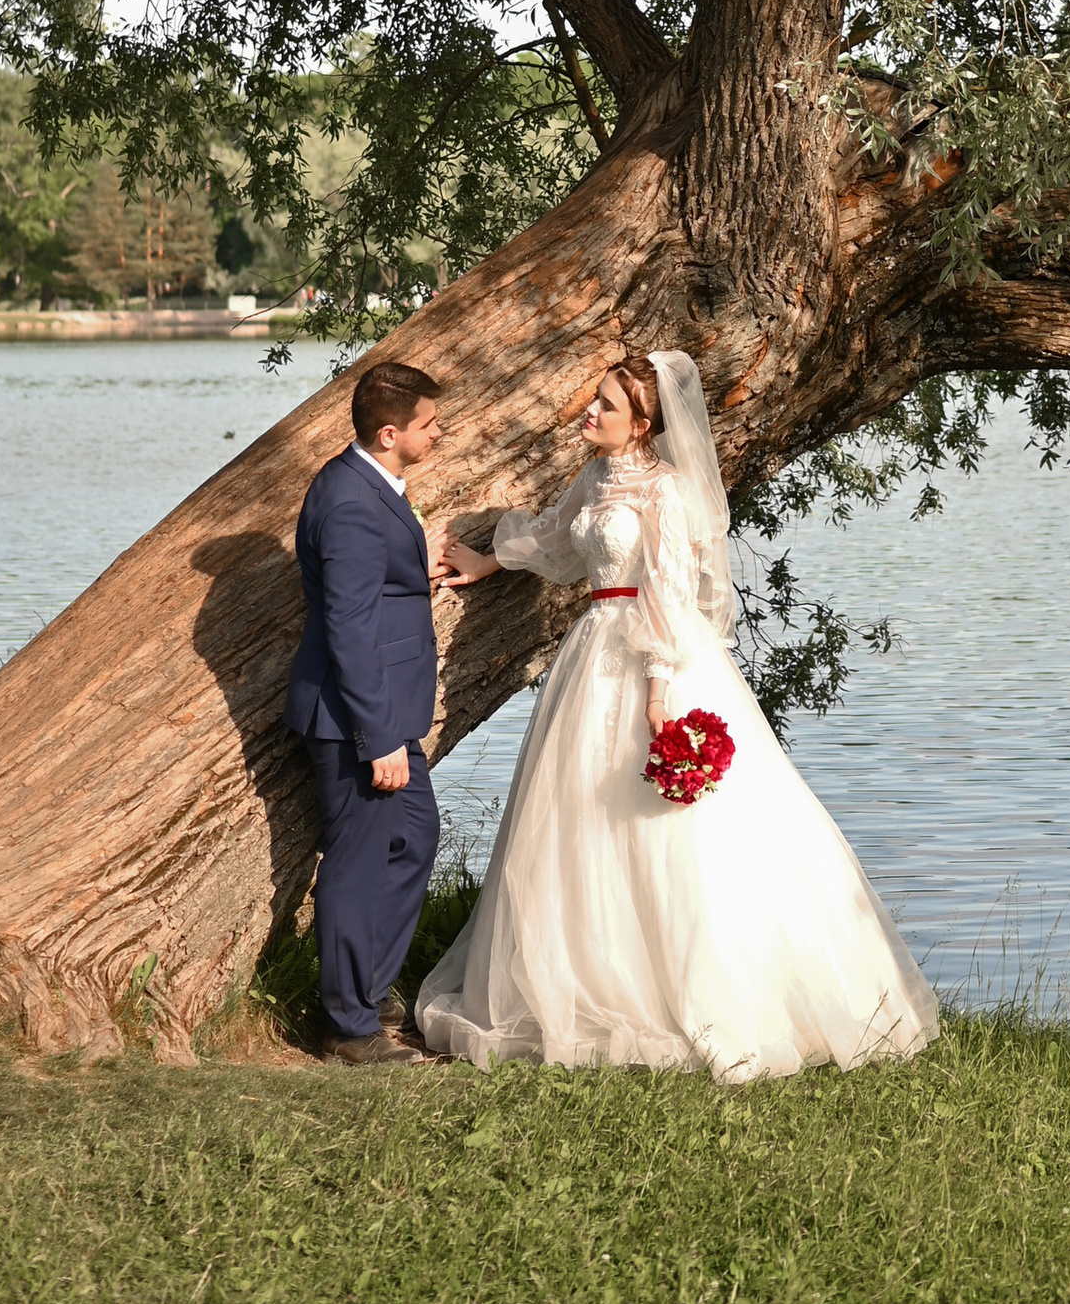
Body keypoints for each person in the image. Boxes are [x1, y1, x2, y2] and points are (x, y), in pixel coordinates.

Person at [422, 349, 938, 1081]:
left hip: (649, 655)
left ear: (641, 424)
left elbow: (669, 590)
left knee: (668, 827)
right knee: (577, 820)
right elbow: (553, 536)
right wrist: (487, 560)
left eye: (605, 405)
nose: (589, 413)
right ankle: (593, 981)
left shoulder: (664, 490)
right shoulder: (597, 476)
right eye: (593, 400)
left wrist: (660, 690)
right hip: (592, 651)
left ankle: (696, 994)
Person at [283, 359, 446, 1065]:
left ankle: (369, 987)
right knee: (355, 863)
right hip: (356, 719)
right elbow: (348, 627)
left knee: (414, 836)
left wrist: (417, 566)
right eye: (428, 425)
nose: (439, 432)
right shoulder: (350, 502)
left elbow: (373, 588)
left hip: (385, 712)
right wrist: (377, 737)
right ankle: (348, 1029)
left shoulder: (367, 483)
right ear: (389, 433)